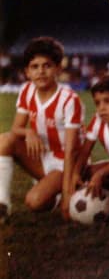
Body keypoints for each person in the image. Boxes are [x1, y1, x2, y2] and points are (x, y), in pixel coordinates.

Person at [0, 37, 82, 222]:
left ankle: (61, 189)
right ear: (27, 72)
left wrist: (67, 192)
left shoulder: (69, 99)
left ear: (58, 69)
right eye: (35, 67)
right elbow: (16, 129)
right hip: (42, 157)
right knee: (4, 140)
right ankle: (2, 204)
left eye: (47, 65)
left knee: (35, 202)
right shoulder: (27, 90)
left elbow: (71, 150)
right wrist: (29, 132)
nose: (41, 72)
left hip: (66, 162)